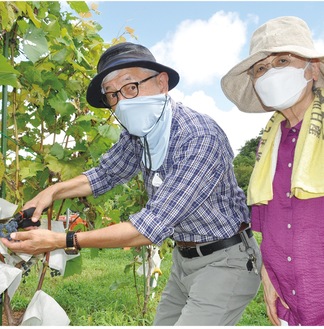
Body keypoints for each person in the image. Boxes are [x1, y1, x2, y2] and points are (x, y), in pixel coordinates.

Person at [1, 42, 261, 326]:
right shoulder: (140, 134)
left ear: (162, 83)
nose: (122, 102)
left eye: (130, 87)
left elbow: (149, 227)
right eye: (112, 95)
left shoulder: (199, 137)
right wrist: (52, 191)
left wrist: (63, 240)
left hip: (225, 260)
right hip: (184, 259)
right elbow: (105, 174)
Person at [221, 16, 324, 326]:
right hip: (290, 305)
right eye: (260, 69)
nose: (270, 73)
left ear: (312, 68)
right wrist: (268, 279)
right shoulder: (269, 145)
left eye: (282, 60)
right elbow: (268, 231)